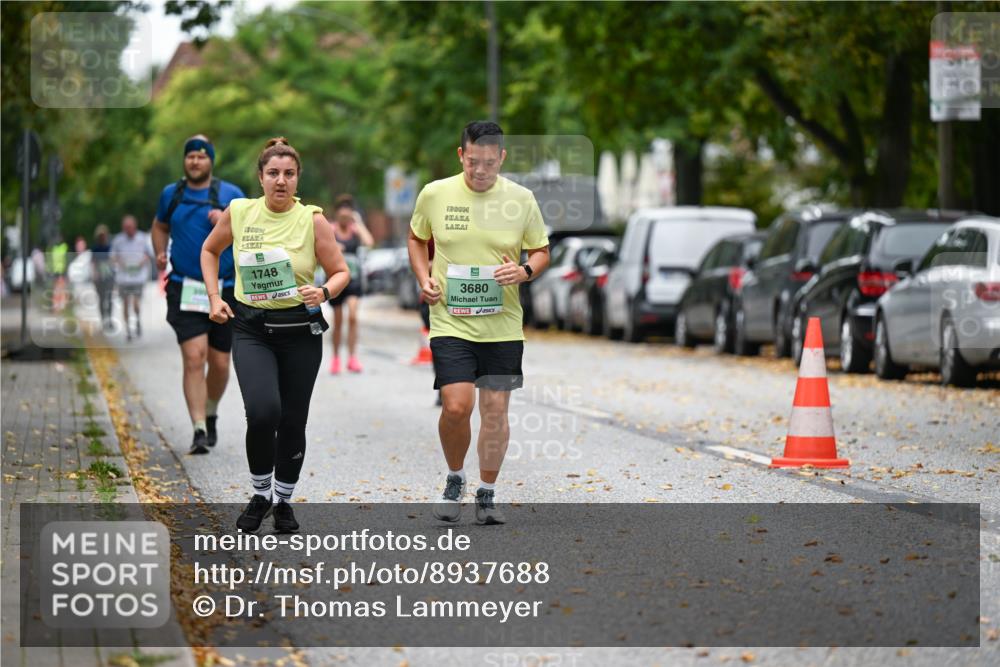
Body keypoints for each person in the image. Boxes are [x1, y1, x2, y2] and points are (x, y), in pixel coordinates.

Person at [202, 137, 349, 534]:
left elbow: (341, 272)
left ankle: (283, 501)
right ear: (261, 178)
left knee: (293, 420)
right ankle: (260, 494)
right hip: (252, 328)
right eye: (273, 173)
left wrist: (324, 292)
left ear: (298, 178)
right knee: (263, 411)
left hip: (300, 331)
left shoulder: (313, 220)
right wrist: (214, 297)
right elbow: (210, 251)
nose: (280, 181)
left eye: (288, 174)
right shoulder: (239, 212)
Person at [407, 121, 550, 525]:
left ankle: (487, 492)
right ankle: (455, 477)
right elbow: (416, 238)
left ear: (501, 158)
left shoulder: (521, 199)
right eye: (473, 162)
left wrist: (524, 271)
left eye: (489, 162)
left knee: (495, 410)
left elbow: (541, 251)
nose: (480, 170)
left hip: (502, 324)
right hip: (450, 320)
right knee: (456, 406)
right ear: (461, 155)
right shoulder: (435, 194)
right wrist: (423, 277)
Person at [151, 135, 246, 454]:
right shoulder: (171, 194)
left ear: (211, 161)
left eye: (202, 156)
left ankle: (211, 410)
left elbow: (252, 234)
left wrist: (226, 221)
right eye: (190, 156)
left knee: (220, 363)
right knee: (194, 357)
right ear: (184, 160)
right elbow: (159, 226)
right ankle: (198, 429)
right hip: (185, 286)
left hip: (226, 289)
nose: (195, 161)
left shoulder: (232, 195)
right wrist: (160, 251)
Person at [326, 198, 373, 374]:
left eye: (348, 214)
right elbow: (320, 247)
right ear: (337, 214)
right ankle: (336, 358)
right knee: (338, 321)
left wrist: (358, 222)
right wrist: (334, 247)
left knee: (353, 317)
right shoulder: (331, 229)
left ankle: (352, 358)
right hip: (335, 280)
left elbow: (369, 242)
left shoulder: (355, 229)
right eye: (342, 214)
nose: (345, 217)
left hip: (353, 280)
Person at [110, 215, 153, 341]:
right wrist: (120, 262)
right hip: (123, 278)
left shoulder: (142, 238)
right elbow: (112, 256)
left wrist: (141, 262)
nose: (128, 229)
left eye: (130, 227)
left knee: (135, 303)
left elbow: (149, 254)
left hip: (138, 278)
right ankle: (128, 329)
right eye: (125, 227)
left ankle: (137, 320)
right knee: (125, 304)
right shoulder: (118, 240)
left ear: (134, 226)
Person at [90, 224, 114, 329]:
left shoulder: (110, 247)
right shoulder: (95, 248)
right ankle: (103, 319)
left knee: (109, 298)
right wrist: (94, 275)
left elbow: (113, 261)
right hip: (99, 277)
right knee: (101, 299)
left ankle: (109, 319)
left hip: (109, 276)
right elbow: (93, 263)